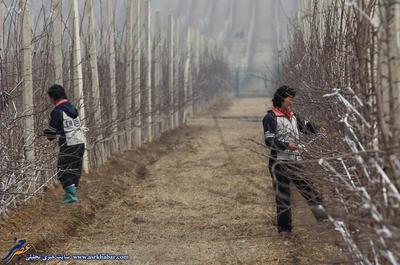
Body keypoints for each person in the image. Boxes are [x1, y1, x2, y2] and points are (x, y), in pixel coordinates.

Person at [262, 85, 328, 234]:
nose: (291, 102)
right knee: (283, 198)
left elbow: (305, 127)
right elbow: (269, 141)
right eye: (289, 99)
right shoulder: (270, 118)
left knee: (309, 190)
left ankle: (325, 219)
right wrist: (286, 145)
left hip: (295, 160)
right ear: (281, 99)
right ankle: (285, 230)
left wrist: (318, 129)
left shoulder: (293, 116)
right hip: (279, 162)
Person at [43, 84, 86, 204]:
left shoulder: (57, 111)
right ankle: (72, 194)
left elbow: (51, 136)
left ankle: (71, 196)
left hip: (69, 143)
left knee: (62, 170)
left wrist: (47, 132)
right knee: (75, 169)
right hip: (80, 142)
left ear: (53, 97)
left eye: (50, 97)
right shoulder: (73, 108)